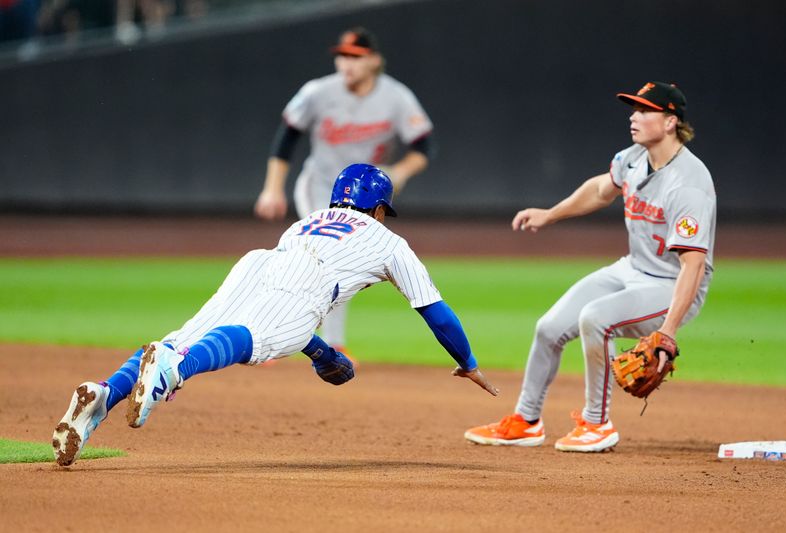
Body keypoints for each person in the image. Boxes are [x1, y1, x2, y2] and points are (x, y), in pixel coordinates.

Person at [53, 164, 497, 467]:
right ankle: (172, 371)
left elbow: (288, 315)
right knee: (251, 341)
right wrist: (469, 362)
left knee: (186, 334)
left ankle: (105, 393)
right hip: (309, 277)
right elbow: (436, 313)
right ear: (380, 210)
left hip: (260, 261)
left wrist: (321, 352)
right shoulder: (388, 240)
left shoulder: (310, 219)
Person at [465, 82, 716, 452]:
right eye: (633, 108)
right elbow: (601, 190)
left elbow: (693, 266)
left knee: (596, 318)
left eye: (645, 110)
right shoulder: (633, 158)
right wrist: (550, 215)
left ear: (669, 122)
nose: (634, 116)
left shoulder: (689, 184)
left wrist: (668, 331)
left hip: (672, 284)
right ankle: (527, 420)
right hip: (633, 269)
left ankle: (597, 425)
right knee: (549, 327)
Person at [253, 26, 434, 354]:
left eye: (355, 57)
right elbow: (287, 137)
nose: (346, 63)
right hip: (320, 187)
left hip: (366, 199)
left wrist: (402, 170)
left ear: (374, 61)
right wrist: (272, 188)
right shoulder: (317, 92)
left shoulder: (396, 97)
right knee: (320, 258)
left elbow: (424, 146)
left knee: (341, 263)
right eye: (341, 56)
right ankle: (277, 334)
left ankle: (319, 340)